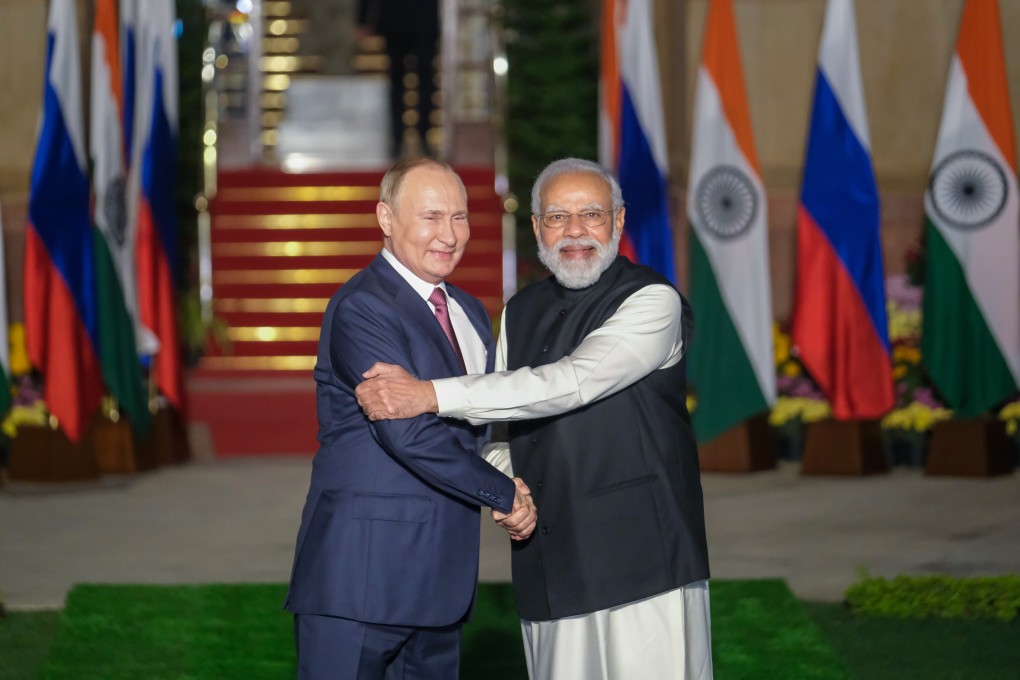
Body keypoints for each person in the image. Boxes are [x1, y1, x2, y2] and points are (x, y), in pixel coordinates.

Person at [355, 157, 714, 679]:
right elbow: (498, 434)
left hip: (644, 559)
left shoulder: (652, 302)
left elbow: (570, 383)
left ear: (617, 222)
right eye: (556, 217)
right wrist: (506, 487)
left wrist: (427, 394)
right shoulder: (520, 312)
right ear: (535, 228)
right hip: (550, 558)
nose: (574, 231)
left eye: (591, 215)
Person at [284, 157, 538, 680]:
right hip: (361, 580)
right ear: (385, 218)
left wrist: (504, 463)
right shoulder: (363, 307)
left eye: (460, 217)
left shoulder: (467, 311)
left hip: (440, 588)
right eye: (431, 217)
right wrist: (503, 492)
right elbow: (408, 433)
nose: (449, 235)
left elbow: (477, 426)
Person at [357, 0, 439, 159]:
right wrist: (362, 19)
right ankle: (396, 138)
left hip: (425, 18)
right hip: (395, 18)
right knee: (396, 81)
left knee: (425, 79)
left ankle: (423, 136)